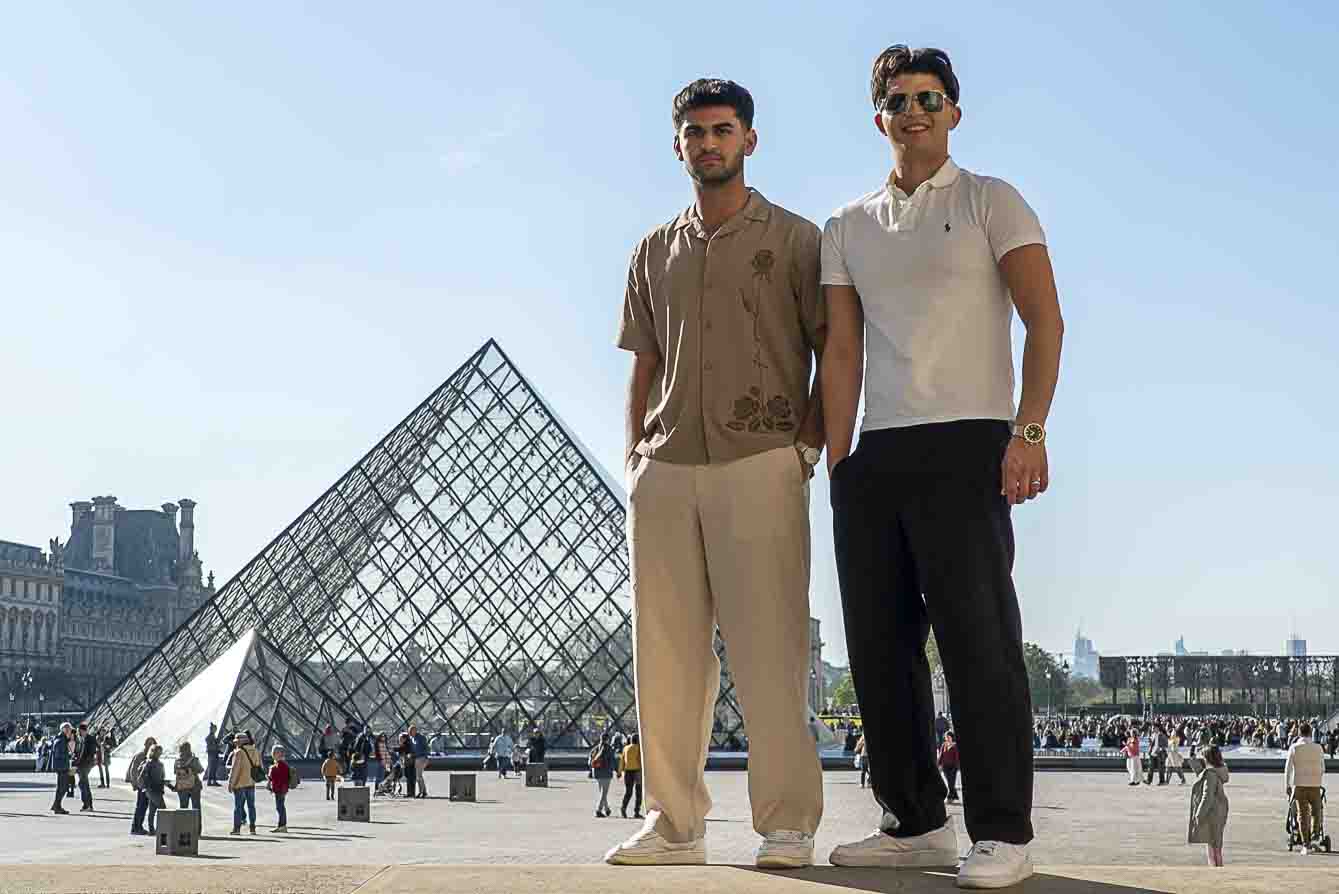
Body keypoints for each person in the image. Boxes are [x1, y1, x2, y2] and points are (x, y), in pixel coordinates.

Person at [821, 44, 1063, 889]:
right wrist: (834, 455)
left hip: (968, 439)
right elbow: (841, 349)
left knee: (978, 645)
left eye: (929, 97)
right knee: (878, 652)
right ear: (876, 115)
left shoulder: (992, 199)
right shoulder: (845, 225)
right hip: (874, 451)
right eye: (896, 99)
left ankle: (1002, 831)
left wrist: (1027, 432)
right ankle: (913, 821)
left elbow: (1045, 321)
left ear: (954, 112)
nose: (912, 110)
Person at [605, 76, 826, 872]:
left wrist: (807, 446)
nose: (708, 143)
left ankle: (788, 822)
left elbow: (834, 352)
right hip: (665, 469)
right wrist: (633, 455)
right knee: (663, 658)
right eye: (695, 132)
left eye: (722, 129)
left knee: (770, 653)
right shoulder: (650, 250)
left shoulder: (800, 240)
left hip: (759, 460)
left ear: (749, 140)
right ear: (677, 146)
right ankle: (673, 823)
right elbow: (644, 362)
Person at [1285, 722, 1326, 853]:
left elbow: (1288, 769)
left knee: (1302, 814)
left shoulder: (1294, 748)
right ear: (1310, 732)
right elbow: (1323, 768)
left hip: (1300, 785)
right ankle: (1315, 836)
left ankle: (1305, 844)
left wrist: (1287, 785)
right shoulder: (1318, 748)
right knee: (1316, 811)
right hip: (1315, 784)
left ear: (1299, 733)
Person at [1188, 745, 1229, 867]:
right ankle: (1217, 868)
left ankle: (1216, 871)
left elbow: (1207, 796)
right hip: (1219, 810)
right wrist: (1192, 759)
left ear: (1207, 758)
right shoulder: (1218, 770)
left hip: (1212, 811)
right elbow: (1201, 773)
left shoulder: (1210, 774)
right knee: (1216, 842)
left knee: (1212, 846)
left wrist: (1199, 815)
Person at [227, 730, 263, 835]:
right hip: (251, 782)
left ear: (239, 742)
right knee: (251, 806)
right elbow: (259, 765)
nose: (235, 743)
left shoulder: (238, 752)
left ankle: (237, 828)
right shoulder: (255, 751)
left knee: (238, 807)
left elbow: (235, 770)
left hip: (240, 783)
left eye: (236, 742)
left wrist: (231, 784)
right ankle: (252, 828)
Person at [127, 736, 157, 835]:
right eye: (149, 744)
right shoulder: (141, 756)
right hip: (142, 786)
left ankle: (137, 826)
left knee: (143, 806)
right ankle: (136, 827)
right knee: (141, 806)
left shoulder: (150, 756)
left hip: (146, 786)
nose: (150, 746)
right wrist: (135, 784)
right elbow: (133, 770)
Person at [49, 722, 74, 815]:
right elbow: (59, 754)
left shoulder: (61, 739)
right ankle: (57, 806)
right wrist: (68, 755)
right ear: (64, 730)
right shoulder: (61, 740)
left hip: (60, 766)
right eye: (69, 730)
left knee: (61, 787)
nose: (70, 731)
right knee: (63, 787)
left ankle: (56, 805)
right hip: (62, 767)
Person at [590, 732, 617, 818]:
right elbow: (613, 761)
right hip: (606, 773)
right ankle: (598, 810)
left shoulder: (595, 749)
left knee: (602, 792)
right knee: (604, 793)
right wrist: (617, 771)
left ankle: (607, 809)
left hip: (597, 773)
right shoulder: (609, 748)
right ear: (608, 739)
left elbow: (589, 761)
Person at [73, 721, 98, 811]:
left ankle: (86, 804)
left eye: (79, 731)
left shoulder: (90, 739)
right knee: (84, 784)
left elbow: (91, 753)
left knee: (82, 784)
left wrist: (83, 762)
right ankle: (88, 805)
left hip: (85, 765)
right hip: (81, 764)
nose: (78, 733)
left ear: (83, 731)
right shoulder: (80, 739)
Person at [142, 744, 167, 834]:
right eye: (157, 751)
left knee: (152, 810)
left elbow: (161, 777)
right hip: (152, 789)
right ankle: (160, 829)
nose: (159, 753)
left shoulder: (160, 763)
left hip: (157, 789)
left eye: (160, 751)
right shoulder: (149, 763)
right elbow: (143, 775)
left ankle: (152, 829)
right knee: (162, 809)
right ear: (153, 752)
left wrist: (168, 785)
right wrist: (147, 787)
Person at [173, 741, 205, 811]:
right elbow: (201, 770)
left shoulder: (177, 761)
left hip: (182, 787)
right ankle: (197, 822)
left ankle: (183, 821)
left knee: (183, 808)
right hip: (194, 786)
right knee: (196, 808)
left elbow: (175, 772)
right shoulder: (194, 760)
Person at [619, 733, 643, 819]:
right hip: (637, 772)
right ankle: (636, 812)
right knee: (638, 792)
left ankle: (623, 809)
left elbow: (622, 761)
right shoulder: (639, 749)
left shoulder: (625, 748)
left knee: (628, 792)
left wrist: (619, 772)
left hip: (627, 772)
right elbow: (640, 760)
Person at [267, 745, 290, 833]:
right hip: (280, 789)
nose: (273, 754)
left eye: (274, 752)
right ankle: (282, 825)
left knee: (280, 807)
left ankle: (282, 826)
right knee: (280, 807)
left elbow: (279, 777)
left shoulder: (281, 764)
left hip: (280, 789)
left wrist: (272, 770)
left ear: (279, 754)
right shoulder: (280, 764)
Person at [938, 732, 961, 803]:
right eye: (946, 737)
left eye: (949, 737)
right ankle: (955, 796)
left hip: (953, 767)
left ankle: (949, 797)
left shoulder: (955, 745)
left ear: (952, 737)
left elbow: (957, 757)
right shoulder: (943, 745)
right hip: (945, 767)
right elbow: (941, 756)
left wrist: (957, 767)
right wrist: (939, 764)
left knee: (951, 782)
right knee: (950, 782)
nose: (947, 738)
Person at [410, 725, 430, 797]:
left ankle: (421, 792)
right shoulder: (412, 738)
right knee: (419, 776)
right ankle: (423, 792)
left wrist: (426, 758)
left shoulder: (421, 737)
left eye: (414, 730)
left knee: (419, 776)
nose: (413, 731)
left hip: (422, 758)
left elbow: (426, 747)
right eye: (412, 730)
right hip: (416, 758)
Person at [398, 732, 417, 797]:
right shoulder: (407, 744)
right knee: (410, 778)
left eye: (400, 738)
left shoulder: (407, 745)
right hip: (408, 763)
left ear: (405, 738)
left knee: (410, 777)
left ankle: (410, 793)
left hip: (409, 763)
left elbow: (402, 751)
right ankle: (411, 792)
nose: (399, 739)